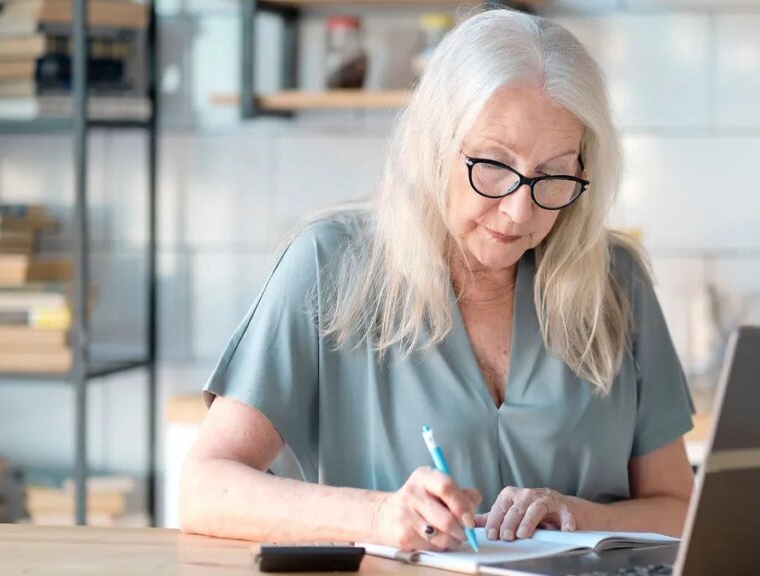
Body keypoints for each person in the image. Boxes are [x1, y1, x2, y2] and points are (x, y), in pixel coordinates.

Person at [179, 8, 696, 552]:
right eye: (494, 164)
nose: (520, 211)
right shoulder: (327, 264)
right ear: (434, 144)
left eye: (553, 174)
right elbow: (204, 487)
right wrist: (379, 517)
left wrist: (577, 514)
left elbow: (681, 510)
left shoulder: (617, 280)